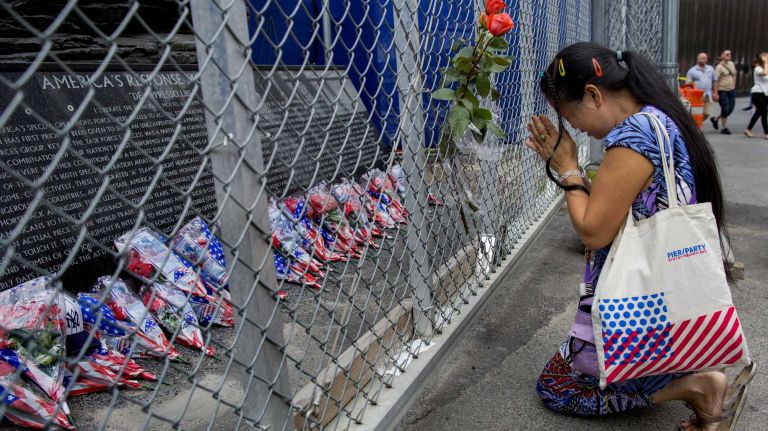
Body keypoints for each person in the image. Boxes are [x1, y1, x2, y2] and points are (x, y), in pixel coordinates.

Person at [525, 42, 753, 430]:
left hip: (638, 298)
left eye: (568, 114)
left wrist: (568, 171)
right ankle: (682, 370)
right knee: (591, 368)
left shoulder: (634, 136)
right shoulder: (658, 119)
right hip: (667, 295)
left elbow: (594, 231)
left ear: (594, 95)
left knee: (557, 386)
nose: (572, 127)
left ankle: (698, 386)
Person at [712, 50, 737, 134]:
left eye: (730, 54)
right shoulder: (719, 67)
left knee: (730, 108)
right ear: (722, 55)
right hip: (722, 90)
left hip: (731, 90)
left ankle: (716, 119)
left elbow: (734, 75)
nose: (729, 55)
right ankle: (724, 127)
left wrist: (734, 85)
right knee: (725, 108)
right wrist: (715, 93)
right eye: (727, 54)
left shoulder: (731, 64)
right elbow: (716, 80)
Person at [744, 52, 768, 139]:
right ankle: (766, 133)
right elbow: (764, 73)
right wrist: (765, 63)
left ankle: (748, 129)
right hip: (757, 93)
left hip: (765, 94)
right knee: (764, 112)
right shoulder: (757, 68)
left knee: (759, 112)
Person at [686, 52, 716, 121]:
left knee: (707, 113)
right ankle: (697, 126)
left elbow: (715, 80)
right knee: (697, 113)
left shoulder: (710, 69)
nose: (704, 60)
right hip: (697, 96)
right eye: (702, 58)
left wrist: (715, 92)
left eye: (705, 58)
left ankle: (697, 123)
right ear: (697, 60)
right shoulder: (692, 71)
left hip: (708, 94)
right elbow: (688, 84)